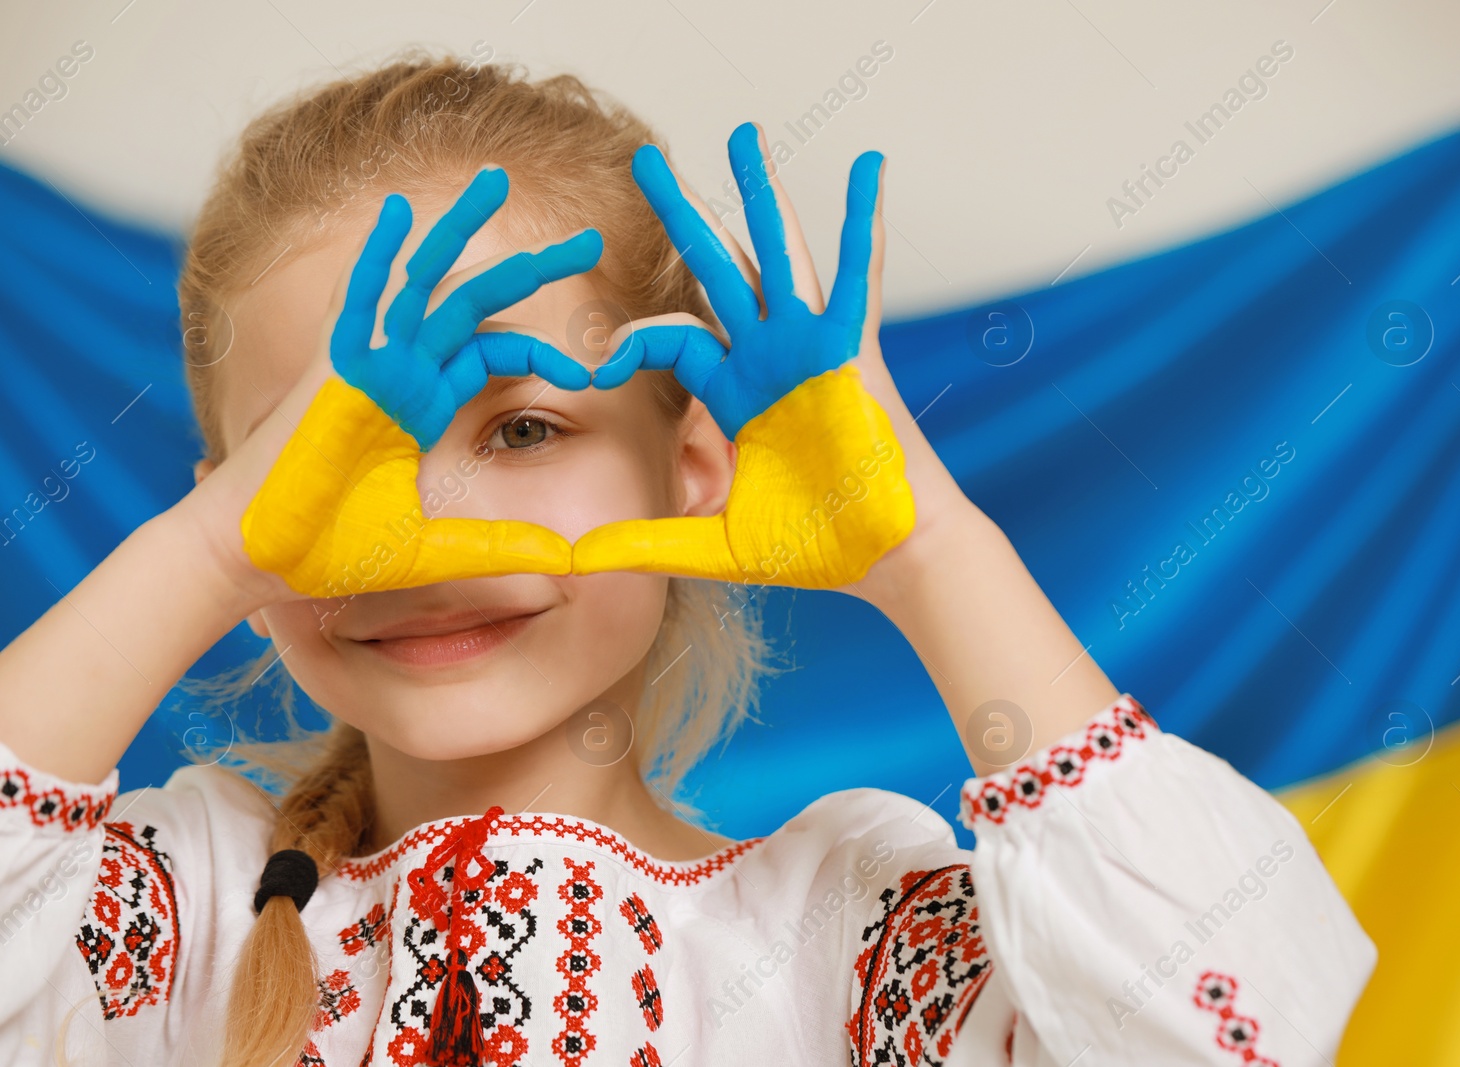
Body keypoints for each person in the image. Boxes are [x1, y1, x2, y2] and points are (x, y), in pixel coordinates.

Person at [0, 51, 1375, 1067]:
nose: (427, 531)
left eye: (526, 429)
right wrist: (202, 555)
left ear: (695, 468)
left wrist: (932, 550)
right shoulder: (173, 921)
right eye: (331, 454)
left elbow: (1239, 1031)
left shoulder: (851, 940)